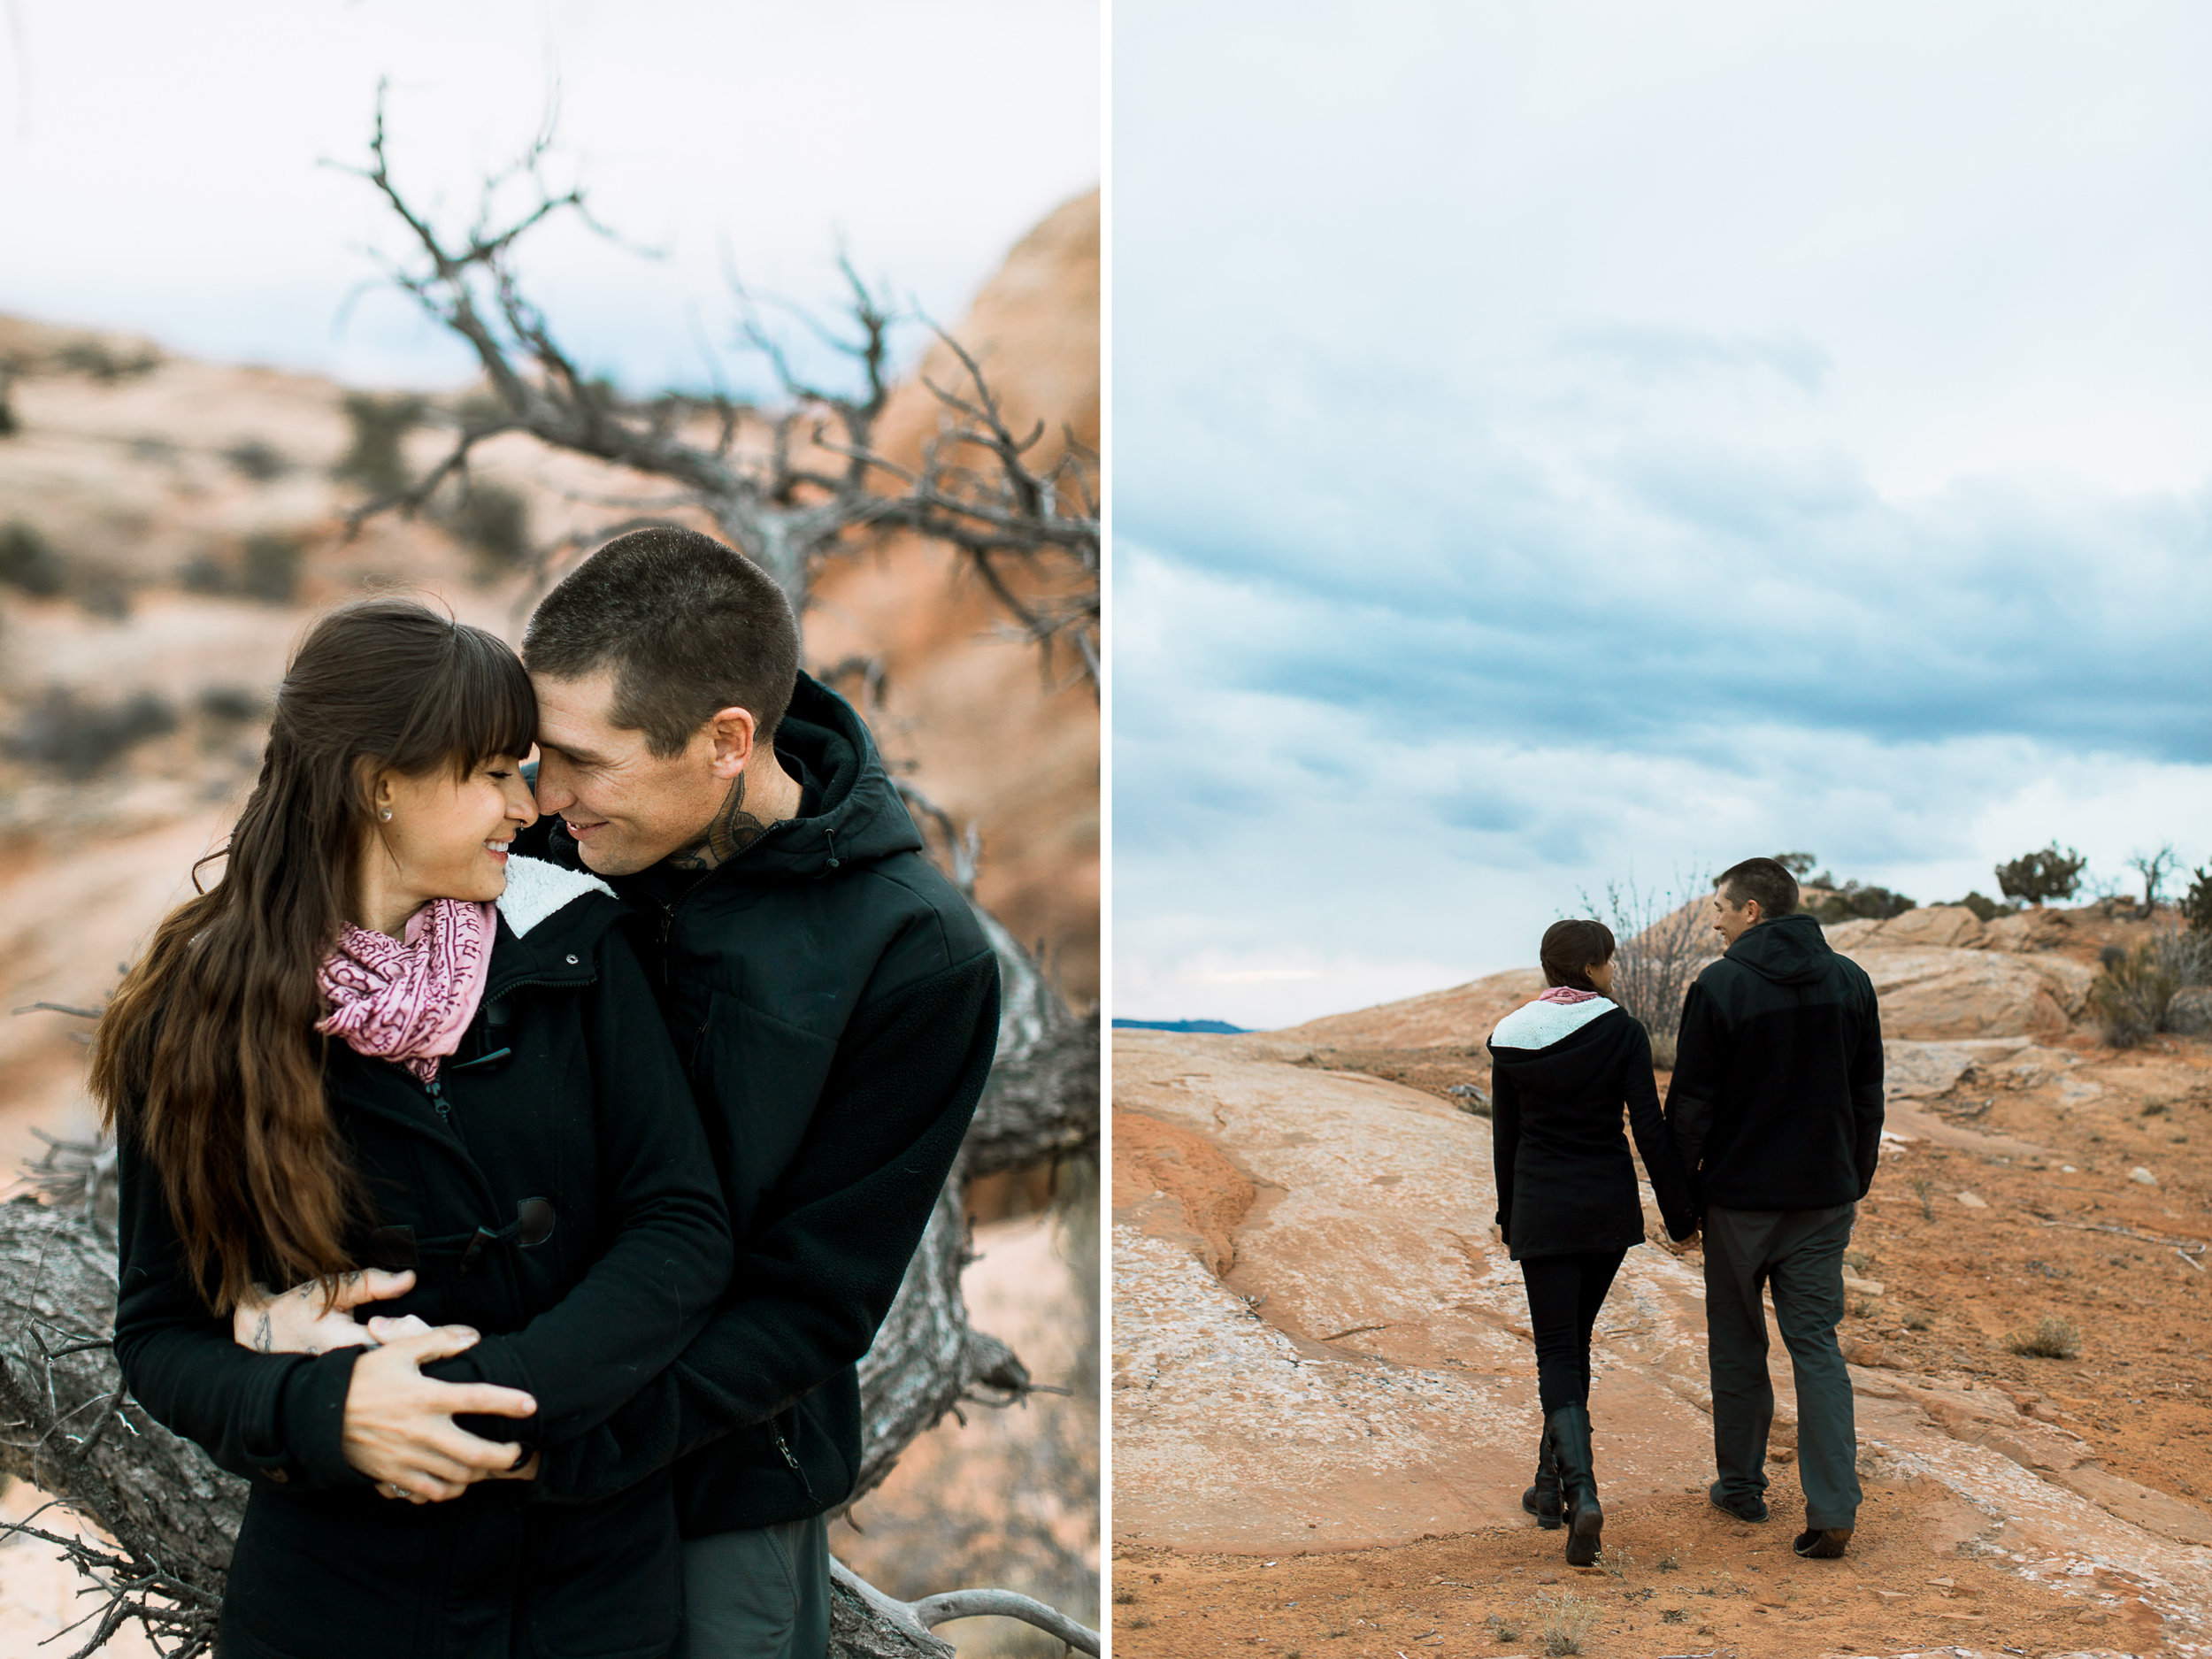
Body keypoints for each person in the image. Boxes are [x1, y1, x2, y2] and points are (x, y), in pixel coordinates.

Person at [316, 527, 1002, 1658]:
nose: (544, 797)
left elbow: (811, 1305)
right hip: (441, 1437)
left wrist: (534, 1436)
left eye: (584, 761)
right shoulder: (534, 857)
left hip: (707, 1481)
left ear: (727, 740)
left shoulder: (916, 954)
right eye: (536, 756)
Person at [96, 600, 733, 1659]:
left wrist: (484, 1399)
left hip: (592, 1589)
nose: (524, 806)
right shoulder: (196, 1011)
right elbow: (162, 1334)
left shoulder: (572, 943)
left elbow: (680, 1227)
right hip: (339, 1600)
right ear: (375, 782)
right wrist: (329, 1414)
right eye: (488, 771)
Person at [1664, 856, 1884, 1561]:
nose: (1717, 918)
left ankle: (1740, 1486)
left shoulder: (1721, 984)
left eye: (1722, 907)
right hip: (1823, 1201)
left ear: (1753, 910)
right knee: (1816, 1343)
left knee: (1738, 1341)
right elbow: (1868, 1093)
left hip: (1739, 1204)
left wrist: (1680, 1203)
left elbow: (1692, 1107)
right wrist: (1853, 1176)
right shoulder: (1850, 980)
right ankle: (1833, 1507)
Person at [1487, 918, 1696, 1566]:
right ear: (1591, 967)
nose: (1614, 969)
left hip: (1543, 1211)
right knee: (1571, 1344)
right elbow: (1650, 1127)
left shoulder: (1511, 1036)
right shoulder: (1624, 1030)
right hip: (1605, 1210)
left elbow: (1507, 1138)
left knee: (1558, 1348)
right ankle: (1554, 1489)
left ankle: (1579, 1493)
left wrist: (1507, 1212)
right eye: (1609, 959)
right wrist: (1679, 1212)